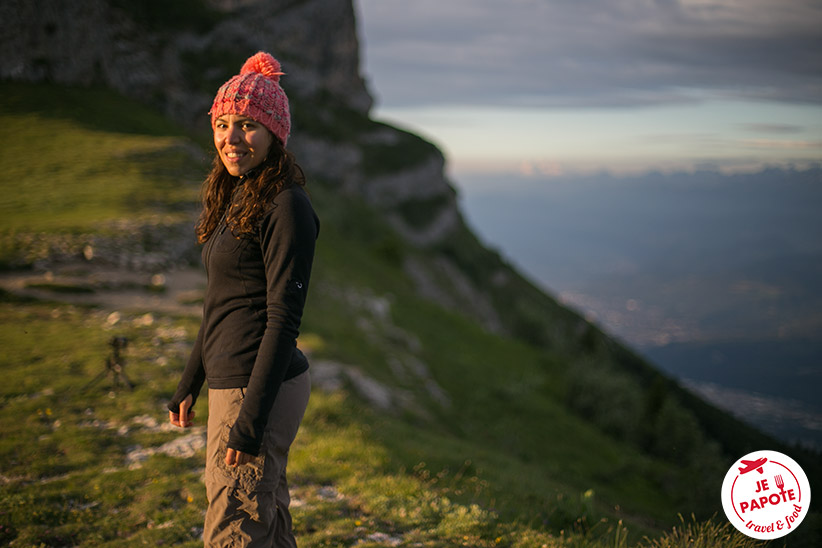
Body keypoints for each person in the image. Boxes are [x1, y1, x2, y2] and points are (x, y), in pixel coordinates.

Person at [168, 51, 319, 547]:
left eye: (248, 125)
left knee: (235, 530)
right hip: (233, 382)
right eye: (223, 124)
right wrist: (192, 379)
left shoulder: (286, 205)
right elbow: (221, 301)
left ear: (275, 134)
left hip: (258, 389)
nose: (231, 139)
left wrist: (249, 425)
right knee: (265, 522)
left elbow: (282, 320)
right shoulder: (239, 191)